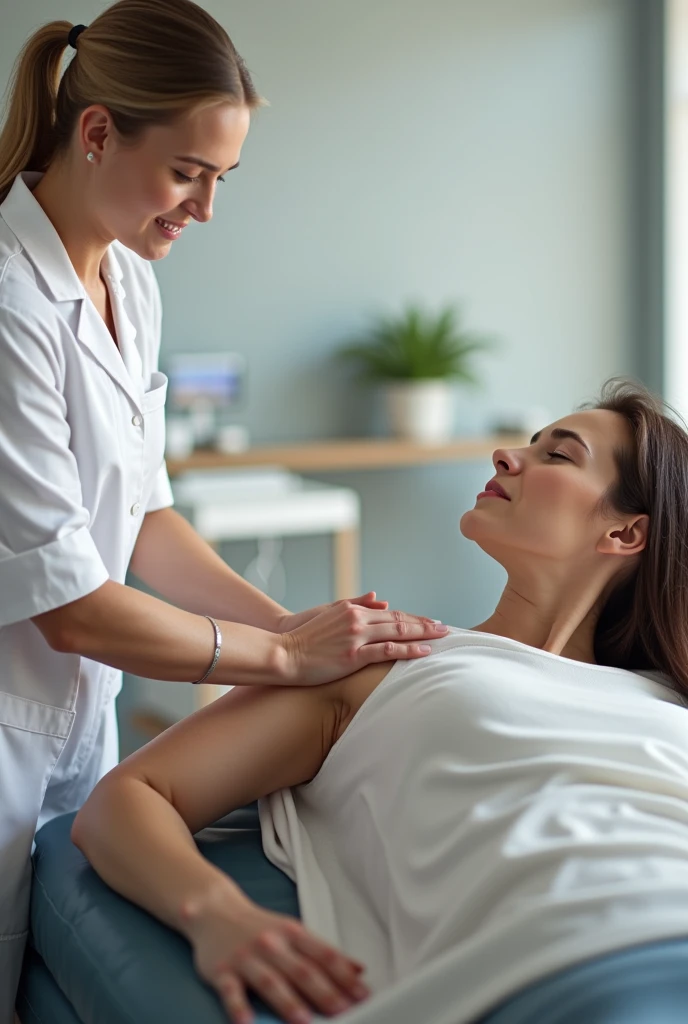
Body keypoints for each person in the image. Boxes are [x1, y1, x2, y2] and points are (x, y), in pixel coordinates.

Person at [0, 1, 445, 1016]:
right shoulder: (8, 305)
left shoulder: (128, 276)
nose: (204, 209)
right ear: (99, 130)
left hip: (70, 730)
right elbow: (70, 602)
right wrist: (285, 660)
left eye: (222, 180)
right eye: (187, 172)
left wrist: (288, 623)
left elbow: (147, 520)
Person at [75, 380, 688, 1024]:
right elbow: (127, 799)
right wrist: (219, 915)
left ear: (625, 533)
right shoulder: (380, 658)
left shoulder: (663, 698)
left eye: (558, 456)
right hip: (568, 967)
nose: (507, 455)